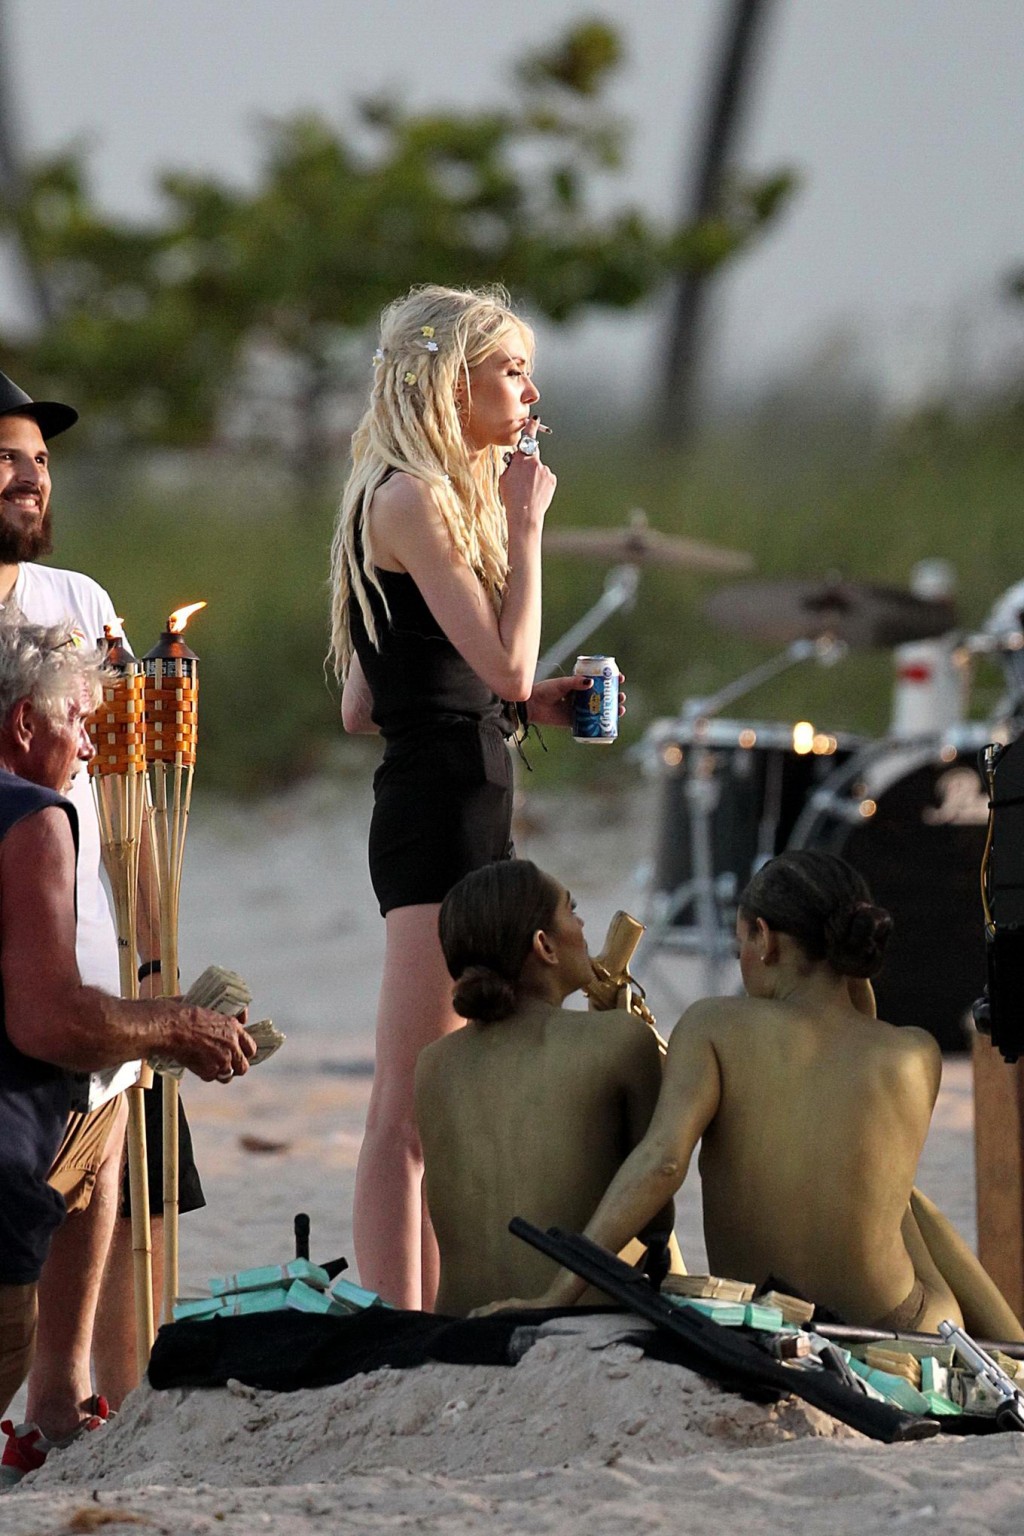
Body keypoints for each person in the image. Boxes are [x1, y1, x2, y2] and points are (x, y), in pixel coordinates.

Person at [329, 284, 610, 1310]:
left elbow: (368, 701)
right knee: (408, 1106)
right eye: (511, 371)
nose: (530, 393)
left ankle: (432, 1307)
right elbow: (502, 665)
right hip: (438, 812)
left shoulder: (410, 500)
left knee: (438, 1101)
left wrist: (528, 708)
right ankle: (397, 1324)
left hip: (453, 792)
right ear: (452, 381)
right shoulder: (408, 497)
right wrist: (525, 530)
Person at [476, 849, 1023, 1339]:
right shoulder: (916, 1052)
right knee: (897, 1195)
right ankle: (1014, 1345)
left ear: (764, 938)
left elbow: (663, 1164)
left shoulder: (715, 1024)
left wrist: (554, 1295)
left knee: (893, 1193)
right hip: (900, 1321)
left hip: (771, 1316)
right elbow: (852, 1037)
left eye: (742, 942)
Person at [0, 370, 206, 1451]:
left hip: (76, 914)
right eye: (5, 459)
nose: (27, 479)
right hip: (8, 918)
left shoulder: (74, 601)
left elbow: (115, 771)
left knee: (97, 1148)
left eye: (38, 460)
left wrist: (148, 930)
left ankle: (59, 1397)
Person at [0, 619, 255, 1432]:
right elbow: (50, 1023)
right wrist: (173, 1026)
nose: (85, 748)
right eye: (78, 722)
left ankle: (58, 1395)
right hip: (4, 1162)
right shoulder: (31, 817)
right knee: (106, 1083)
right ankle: (52, 1391)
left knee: (109, 1108)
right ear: (23, 724)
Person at [415, 860, 679, 1316]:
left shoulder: (433, 1064)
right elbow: (656, 1218)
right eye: (571, 911)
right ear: (545, 946)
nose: (582, 925)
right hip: (577, 1323)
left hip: (458, 1329)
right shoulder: (619, 1039)